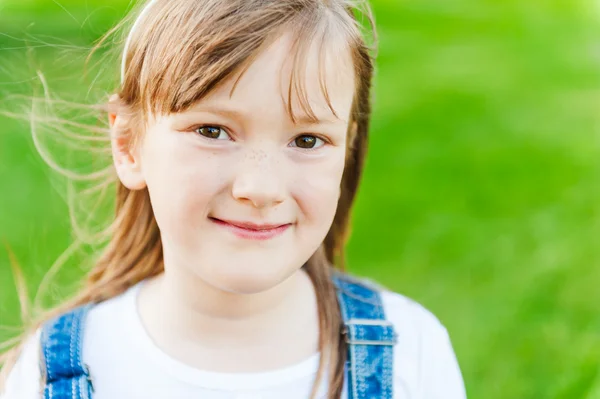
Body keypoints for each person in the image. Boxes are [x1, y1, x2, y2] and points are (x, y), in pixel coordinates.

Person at [0, 0, 467, 398]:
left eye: (306, 141)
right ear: (129, 146)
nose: (260, 188)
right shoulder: (50, 374)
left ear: (345, 147)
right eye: (212, 131)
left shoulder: (412, 353)